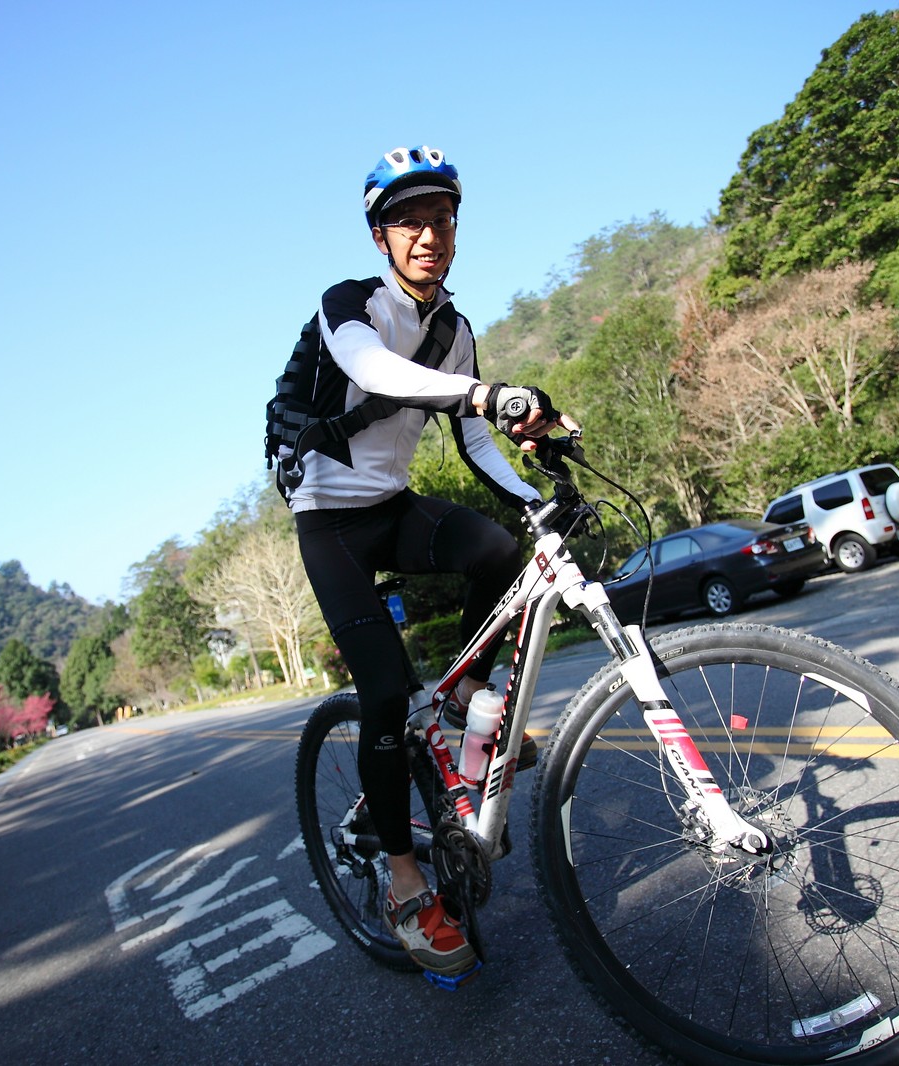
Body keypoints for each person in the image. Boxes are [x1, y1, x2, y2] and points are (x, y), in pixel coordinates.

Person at [285, 144, 574, 979]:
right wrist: (481, 391)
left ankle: (466, 700)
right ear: (380, 237)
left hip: (393, 507)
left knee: (499, 548)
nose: (428, 235)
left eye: (441, 219)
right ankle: (404, 884)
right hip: (331, 521)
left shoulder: (455, 330)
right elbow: (371, 368)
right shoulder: (351, 303)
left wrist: (534, 493)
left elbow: (475, 441)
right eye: (408, 221)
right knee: (383, 692)